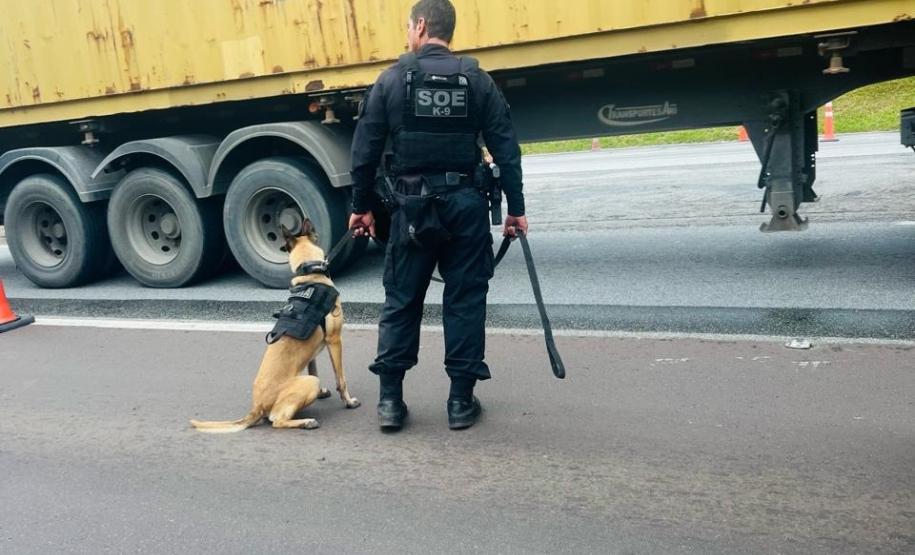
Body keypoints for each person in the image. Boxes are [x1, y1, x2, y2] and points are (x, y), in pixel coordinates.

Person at [348, 0, 527, 431]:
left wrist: (361, 207)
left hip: (411, 209)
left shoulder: (392, 80)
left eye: (408, 26)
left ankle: (390, 402)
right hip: (465, 205)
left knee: (402, 300)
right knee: (464, 301)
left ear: (422, 25)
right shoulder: (478, 80)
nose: (406, 34)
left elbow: (364, 153)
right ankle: (461, 404)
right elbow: (506, 149)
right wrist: (516, 211)